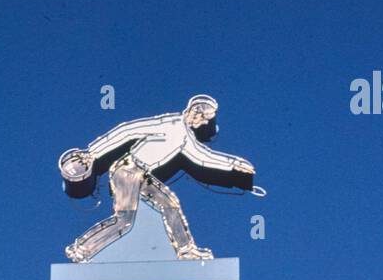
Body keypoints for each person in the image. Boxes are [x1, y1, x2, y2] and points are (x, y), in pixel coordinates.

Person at [59, 95, 258, 262]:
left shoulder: (185, 137)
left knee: (170, 204)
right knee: (124, 221)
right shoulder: (170, 124)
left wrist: (234, 164)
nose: (205, 122)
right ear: (196, 112)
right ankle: (81, 249)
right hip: (127, 171)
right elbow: (127, 130)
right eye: (206, 118)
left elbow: (203, 157)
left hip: (141, 175)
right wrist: (94, 152)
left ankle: (186, 250)